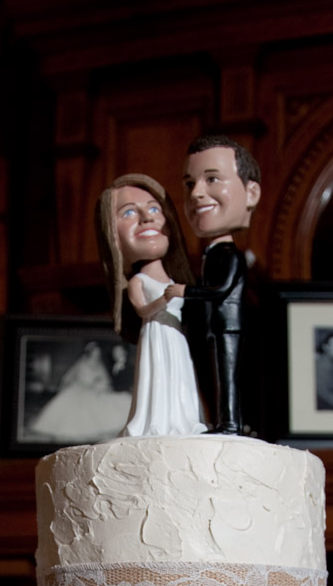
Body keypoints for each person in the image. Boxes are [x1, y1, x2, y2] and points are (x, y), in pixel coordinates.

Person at [95, 173, 206, 437]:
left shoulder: (172, 278)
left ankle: (184, 420)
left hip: (175, 337)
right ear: (111, 235)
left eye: (155, 208)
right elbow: (144, 311)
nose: (147, 218)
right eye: (129, 213)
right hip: (156, 335)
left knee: (179, 378)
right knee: (158, 378)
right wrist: (164, 299)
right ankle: (155, 422)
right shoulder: (139, 281)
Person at [164, 134, 261, 435]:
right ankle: (221, 421)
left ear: (252, 193)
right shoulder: (212, 253)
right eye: (190, 184)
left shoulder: (231, 255)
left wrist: (186, 292)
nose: (196, 194)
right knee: (216, 376)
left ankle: (230, 423)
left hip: (227, 327)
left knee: (228, 377)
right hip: (213, 328)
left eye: (212, 179)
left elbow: (221, 291)